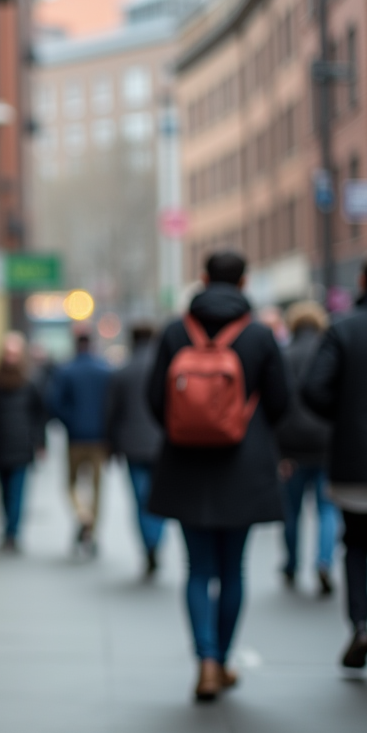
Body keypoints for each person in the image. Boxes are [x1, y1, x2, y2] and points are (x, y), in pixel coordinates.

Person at [147, 251, 288, 702]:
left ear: (203, 279)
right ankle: (223, 660)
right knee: (233, 570)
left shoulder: (175, 332)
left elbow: (155, 399)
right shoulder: (260, 335)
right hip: (243, 469)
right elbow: (282, 402)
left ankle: (204, 660)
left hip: (186, 466)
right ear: (245, 283)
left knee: (196, 568)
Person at [302, 253, 367, 683]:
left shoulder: (344, 328)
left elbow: (313, 389)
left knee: (355, 545)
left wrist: (347, 414)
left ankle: (359, 625)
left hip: (356, 459)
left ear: (361, 281)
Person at [274, 301, 336, 596]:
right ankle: (324, 562)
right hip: (327, 447)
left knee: (291, 511)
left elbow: (276, 405)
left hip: (292, 450)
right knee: (328, 509)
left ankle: (291, 563)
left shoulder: (283, 356)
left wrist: (279, 451)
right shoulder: (332, 354)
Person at [0, 332, 48, 552]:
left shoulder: (30, 383)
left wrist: (40, 442)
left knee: (17, 491)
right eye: (7, 353)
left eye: (14, 354)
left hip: (22, 446)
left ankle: (12, 532)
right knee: (3, 491)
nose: (10, 358)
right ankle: (8, 527)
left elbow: (40, 415)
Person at [105, 324, 166, 577]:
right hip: (161, 444)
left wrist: (112, 445)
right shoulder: (165, 368)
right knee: (159, 497)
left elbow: (112, 412)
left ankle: (148, 544)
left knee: (139, 498)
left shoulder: (122, 371)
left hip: (131, 444)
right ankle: (156, 540)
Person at [48, 332, 113, 554]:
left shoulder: (66, 371)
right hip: (100, 439)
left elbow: (55, 403)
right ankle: (92, 529)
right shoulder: (105, 371)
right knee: (97, 487)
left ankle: (82, 515)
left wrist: (70, 422)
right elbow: (112, 405)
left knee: (71, 483)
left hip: (75, 438)